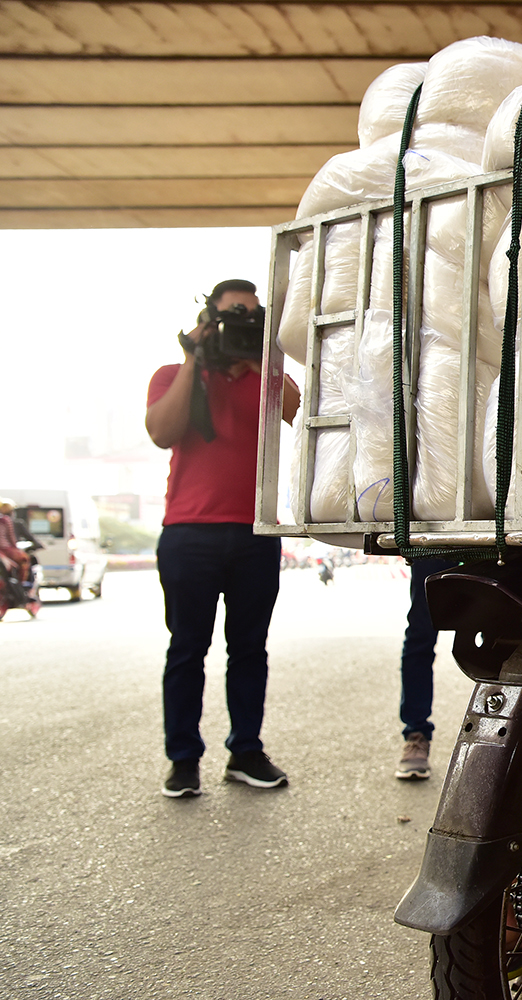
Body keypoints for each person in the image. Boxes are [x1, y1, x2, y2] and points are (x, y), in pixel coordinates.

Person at [147, 279, 301, 799]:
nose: (241, 324)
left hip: (255, 531)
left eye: (251, 317)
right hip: (188, 533)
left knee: (249, 650)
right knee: (188, 649)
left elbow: (293, 408)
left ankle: (246, 751)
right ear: (208, 320)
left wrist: (259, 355)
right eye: (232, 316)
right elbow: (161, 432)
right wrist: (196, 356)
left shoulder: (264, 379)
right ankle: (183, 759)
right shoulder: (173, 375)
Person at [393, 556, 455, 781]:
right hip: (436, 536)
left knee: (501, 628)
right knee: (420, 633)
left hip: (498, 535)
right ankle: (416, 732)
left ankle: (503, 731)